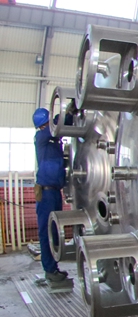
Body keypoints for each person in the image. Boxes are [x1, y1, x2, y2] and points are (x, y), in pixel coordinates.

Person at [32, 107, 72, 293]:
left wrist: (71, 115)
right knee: (46, 232)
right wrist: (65, 114)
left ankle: (53, 268)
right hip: (46, 193)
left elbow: (60, 126)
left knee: (54, 231)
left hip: (55, 192)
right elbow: (56, 125)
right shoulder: (41, 137)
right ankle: (49, 270)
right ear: (44, 123)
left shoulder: (53, 140)